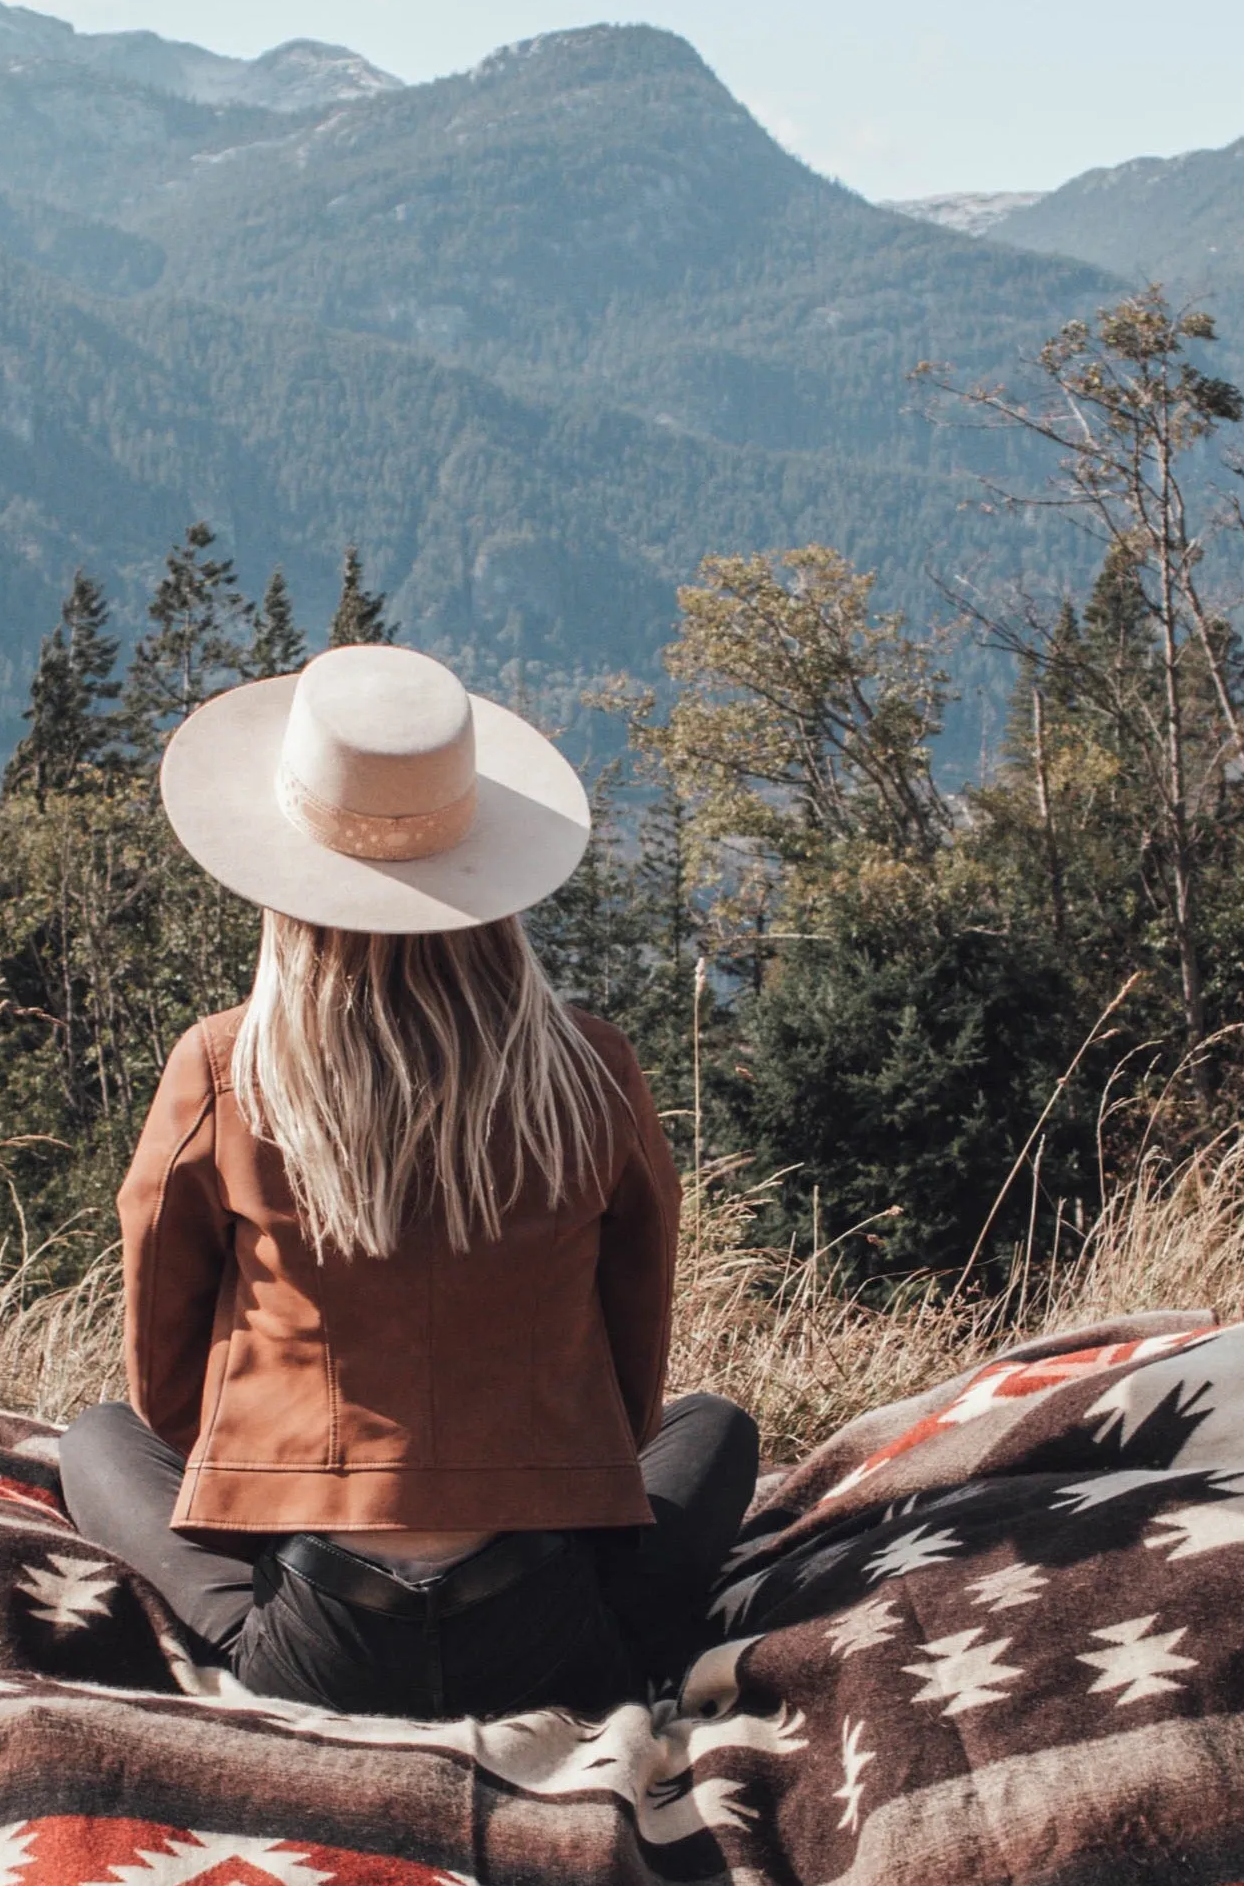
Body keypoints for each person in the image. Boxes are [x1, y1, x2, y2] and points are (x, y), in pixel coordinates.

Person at [59, 639, 759, 1719]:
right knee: (715, 1429)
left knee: (98, 1440)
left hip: (317, 1639)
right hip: (552, 1628)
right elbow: (635, 1395)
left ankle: (253, 1636)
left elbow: (161, 1395)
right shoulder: (592, 1071)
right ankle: (623, 1642)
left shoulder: (223, 1068)